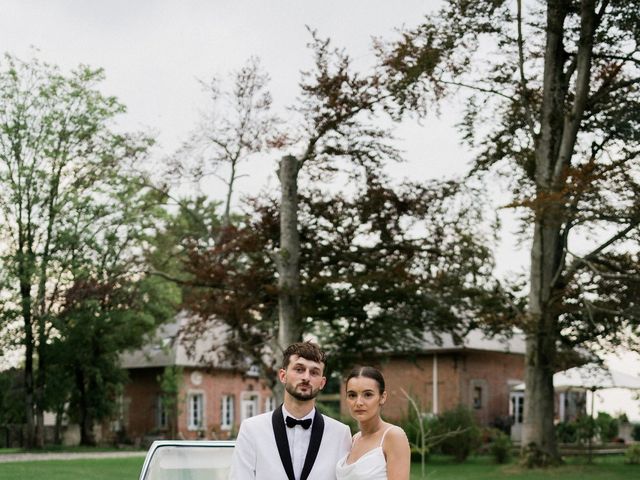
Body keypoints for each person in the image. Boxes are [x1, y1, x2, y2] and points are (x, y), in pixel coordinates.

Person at [230, 341, 352, 480]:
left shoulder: (341, 434)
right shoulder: (251, 429)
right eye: (299, 369)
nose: (306, 377)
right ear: (283, 376)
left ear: (322, 383)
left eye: (314, 372)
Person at [336, 366, 410, 480]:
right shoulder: (354, 439)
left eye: (368, 395)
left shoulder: (393, 436)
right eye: (352, 395)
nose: (359, 402)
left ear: (382, 397)